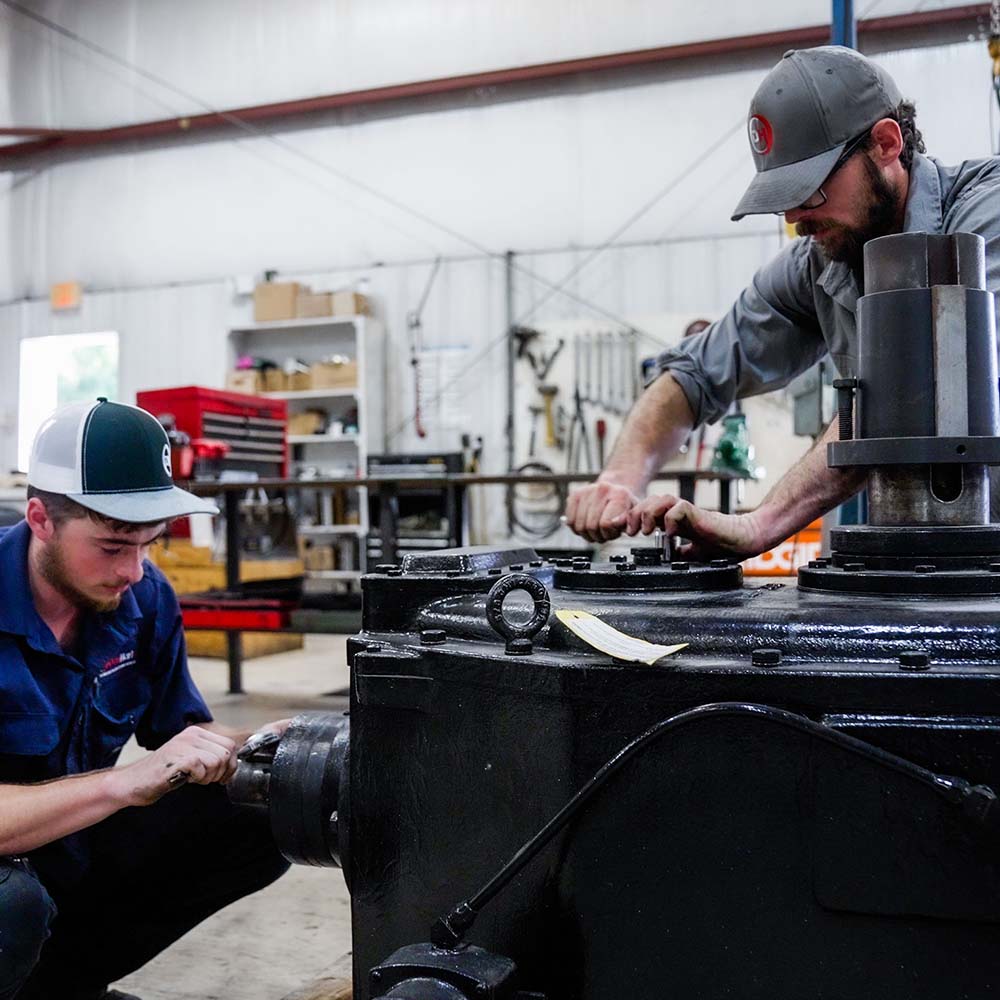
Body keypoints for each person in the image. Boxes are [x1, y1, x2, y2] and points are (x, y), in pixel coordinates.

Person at [565, 45, 1000, 552]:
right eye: (784, 200)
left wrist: (761, 523)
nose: (796, 218)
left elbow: (916, 389)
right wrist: (620, 479)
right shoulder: (824, 258)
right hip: (937, 565)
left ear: (885, 143)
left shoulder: (984, 215)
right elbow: (696, 372)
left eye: (810, 190)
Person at [0, 399, 292, 1000]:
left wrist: (278, 743)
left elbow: (184, 743)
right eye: (112, 547)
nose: (134, 570)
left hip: (68, 843)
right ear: (41, 519)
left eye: (149, 544)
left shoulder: (143, 596)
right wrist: (118, 784)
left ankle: (58, 988)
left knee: (265, 812)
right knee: (12, 903)